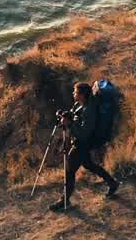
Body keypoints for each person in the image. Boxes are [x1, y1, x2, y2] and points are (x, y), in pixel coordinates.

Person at [50, 82, 120, 212]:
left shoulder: (90, 110)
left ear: (82, 95)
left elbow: (83, 133)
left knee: (69, 170)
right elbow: (74, 114)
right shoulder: (80, 104)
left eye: (75, 92)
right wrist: (65, 115)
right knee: (88, 165)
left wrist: (70, 124)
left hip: (83, 142)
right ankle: (112, 183)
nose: (73, 94)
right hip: (81, 142)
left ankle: (65, 200)